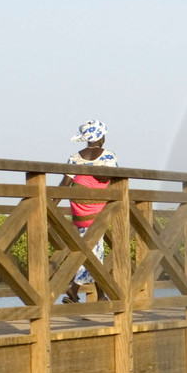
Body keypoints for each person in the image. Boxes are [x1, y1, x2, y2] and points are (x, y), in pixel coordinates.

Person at [62, 120, 117, 303]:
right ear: (101, 137)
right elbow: (113, 181)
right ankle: (75, 289)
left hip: (79, 210)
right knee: (94, 253)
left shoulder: (74, 157)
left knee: (89, 250)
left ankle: (100, 295)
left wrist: (51, 206)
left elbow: (64, 185)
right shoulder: (108, 156)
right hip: (98, 211)